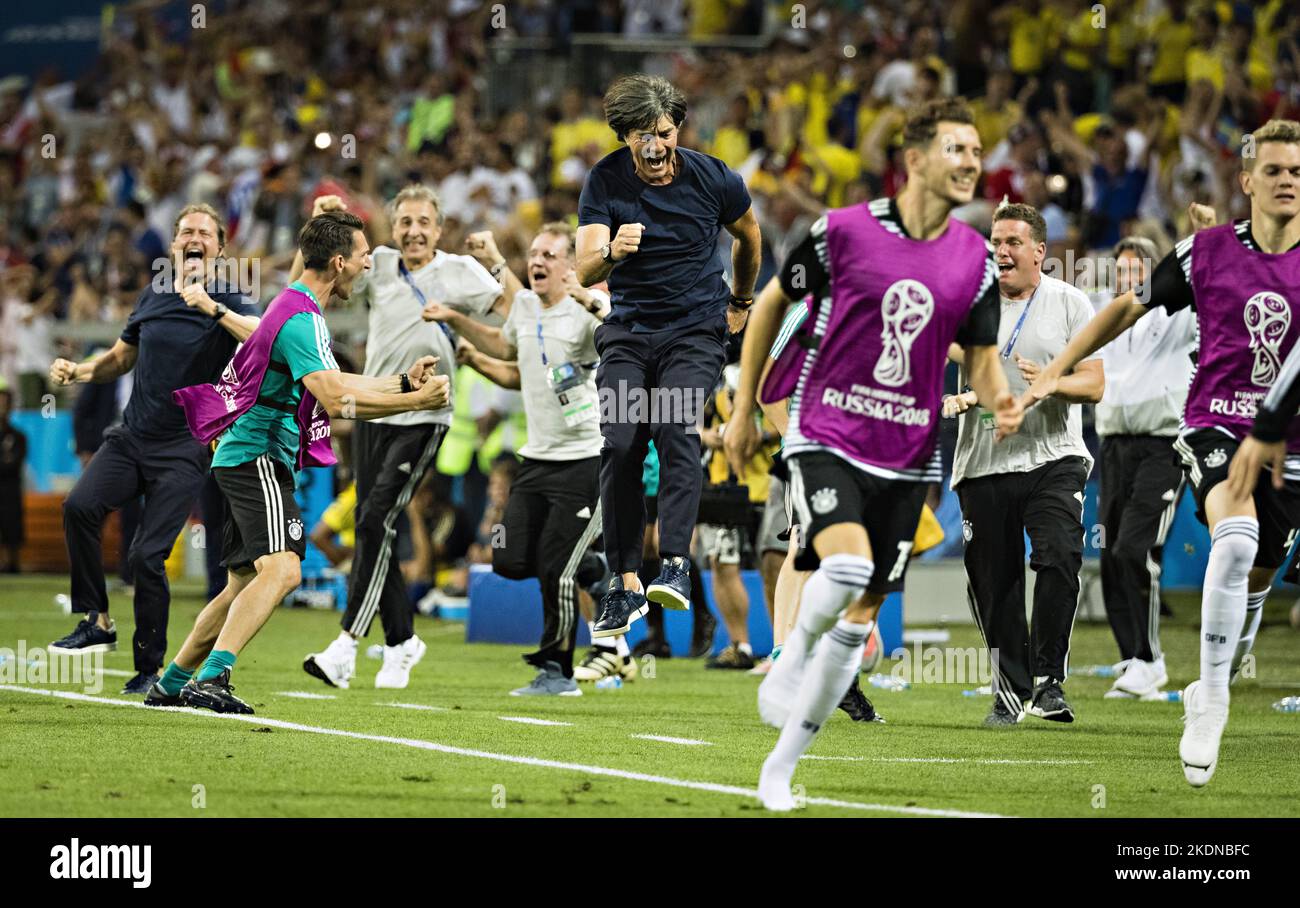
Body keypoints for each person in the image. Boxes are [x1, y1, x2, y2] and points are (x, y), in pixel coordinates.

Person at [726, 98, 1023, 810]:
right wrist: (742, 410)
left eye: (977, 151)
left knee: (860, 621)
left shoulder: (975, 259)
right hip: (825, 430)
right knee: (848, 562)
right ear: (914, 159)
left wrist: (1002, 396)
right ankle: (787, 656)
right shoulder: (843, 232)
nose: (971, 163)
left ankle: (780, 768)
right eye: (957, 149)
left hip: (908, 453)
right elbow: (770, 304)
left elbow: (979, 360)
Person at [1029, 119, 1300, 787]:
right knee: (1233, 542)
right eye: (1274, 171)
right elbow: (1127, 308)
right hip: (1217, 422)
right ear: (1247, 182)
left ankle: (1226, 658)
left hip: (1290, 437)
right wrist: (1061, 362)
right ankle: (1210, 699)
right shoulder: (1207, 251)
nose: (1288, 181)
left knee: (1262, 564)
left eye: (1297, 171)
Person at [147, 211, 450, 714]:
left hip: (247, 453)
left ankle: (174, 681)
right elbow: (336, 401)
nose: (368, 263)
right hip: (257, 455)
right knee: (285, 569)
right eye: (362, 255)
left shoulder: (294, 308)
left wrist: (402, 383)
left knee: (240, 585)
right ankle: (214, 678)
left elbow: (336, 383)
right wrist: (418, 404)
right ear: (338, 262)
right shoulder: (302, 318)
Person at [301, 187, 515, 691]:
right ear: (391, 228)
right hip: (376, 410)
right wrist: (323, 228)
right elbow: (315, 283)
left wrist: (494, 269)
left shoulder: (459, 270)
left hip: (425, 413)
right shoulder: (380, 264)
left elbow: (515, 309)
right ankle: (401, 643)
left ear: (439, 230)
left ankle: (346, 645)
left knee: (375, 518)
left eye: (424, 222)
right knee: (379, 526)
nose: (414, 231)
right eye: (405, 222)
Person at [574, 74, 762, 639]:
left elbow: (748, 236)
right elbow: (583, 268)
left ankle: (675, 565)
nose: (653, 147)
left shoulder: (713, 178)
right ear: (624, 137)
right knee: (621, 439)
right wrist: (611, 251)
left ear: (677, 127)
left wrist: (742, 301)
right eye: (639, 136)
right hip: (629, 331)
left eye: (661, 132)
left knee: (676, 427)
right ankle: (625, 582)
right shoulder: (603, 180)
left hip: (694, 331)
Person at [46, 204, 260, 694]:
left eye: (205, 233)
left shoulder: (231, 294)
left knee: (146, 555)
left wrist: (213, 308)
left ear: (220, 249)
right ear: (173, 245)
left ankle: (149, 667)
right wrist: (81, 371)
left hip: (186, 445)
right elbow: (122, 357)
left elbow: (262, 335)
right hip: (132, 435)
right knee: (79, 506)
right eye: (186, 231)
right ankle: (97, 621)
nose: (194, 238)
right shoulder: (154, 295)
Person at [430, 222, 624, 694]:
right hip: (535, 460)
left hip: (584, 459)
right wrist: (463, 332)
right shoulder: (524, 308)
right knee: (507, 556)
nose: (537, 261)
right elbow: (508, 352)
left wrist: (589, 300)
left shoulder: (585, 311)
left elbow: (621, 333)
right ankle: (595, 572)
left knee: (555, 567)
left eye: (549, 256)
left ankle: (557, 671)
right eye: (534, 254)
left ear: (571, 268)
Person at [945, 202, 1104, 726]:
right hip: (984, 459)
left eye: (1013, 242)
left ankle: (1049, 682)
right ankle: (1009, 693)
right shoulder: (969, 302)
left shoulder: (1069, 303)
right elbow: (935, 351)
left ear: (1040, 251)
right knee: (996, 581)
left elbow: (1095, 385)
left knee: (1059, 555)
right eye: (996, 241)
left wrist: (1051, 382)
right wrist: (951, 396)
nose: (1001, 251)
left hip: (1052, 455)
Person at [1091, 235, 1196, 700]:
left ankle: (1152, 660)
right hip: (1113, 445)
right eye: (1122, 272)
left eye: (1138, 272)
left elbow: (1201, 289)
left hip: (1162, 444)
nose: (1128, 280)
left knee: (1137, 548)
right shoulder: (1106, 314)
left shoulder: (1178, 314)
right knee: (1112, 552)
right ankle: (1132, 656)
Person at [0, 380, 25, 573]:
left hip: (10, 489)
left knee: (11, 524)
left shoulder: (18, 435)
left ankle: (12, 564)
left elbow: (15, 462)